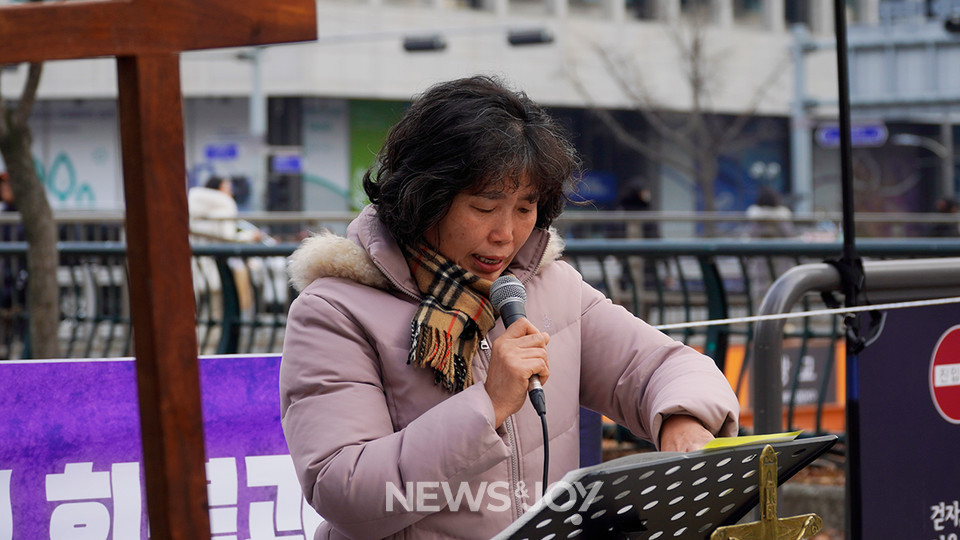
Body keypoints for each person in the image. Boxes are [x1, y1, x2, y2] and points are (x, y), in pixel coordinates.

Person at [279, 76, 739, 540]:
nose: (506, 234)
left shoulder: (547, 285)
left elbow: (662, 367)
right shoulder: (334, 311)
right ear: (424, 199)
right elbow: (344, 489)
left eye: (526, 207)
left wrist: (684, 420)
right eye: (484, 207)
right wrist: (488, 405)